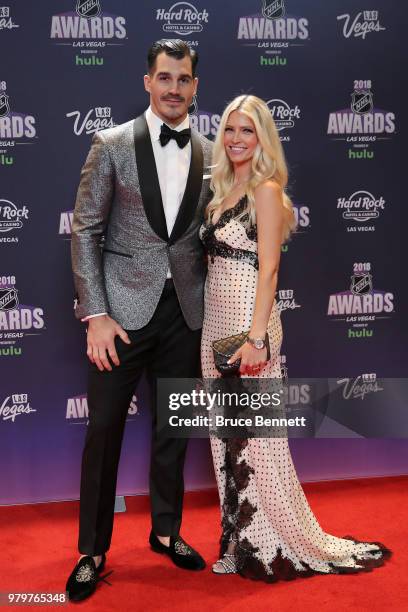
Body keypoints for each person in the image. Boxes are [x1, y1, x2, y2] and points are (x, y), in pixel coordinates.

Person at [200, 94, 391, 580]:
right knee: (225, 440)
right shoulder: (221, 189)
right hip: (215, 325)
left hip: (250, 324)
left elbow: (269, 270)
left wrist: (259, 338)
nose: (237, 139)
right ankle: (237, 544)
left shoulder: (264, 190)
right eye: (230, 129)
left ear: (264, 137)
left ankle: (268, 545)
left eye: (248, 130)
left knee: (260, 443)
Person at [66, 39, 213, 601]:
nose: (174, 88)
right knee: (104, 432)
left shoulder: (211, 151)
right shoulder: (110, 145)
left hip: (187, 314)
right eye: (165, 77)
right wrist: (95, 315)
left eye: (184, 79)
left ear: (195, 87)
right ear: (147, 81)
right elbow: (85, 232)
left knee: (173, 431)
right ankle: (92, 551)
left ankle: (166, 531)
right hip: (120, 318)